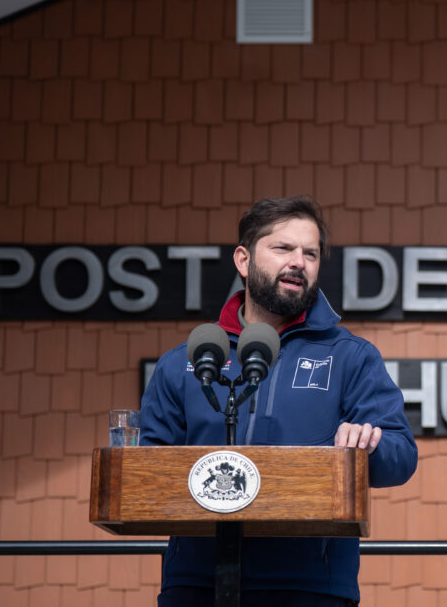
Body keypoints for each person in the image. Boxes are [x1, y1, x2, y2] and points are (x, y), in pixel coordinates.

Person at [140, 196, 418, 606]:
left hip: (308, 588)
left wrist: (368, 446)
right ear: (243, 260)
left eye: (311, 253)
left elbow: (402, 455)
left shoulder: (351, 356)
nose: (299, 262)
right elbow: (147, 466)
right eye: (283, 248)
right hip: (196, 585)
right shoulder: (188, 361)